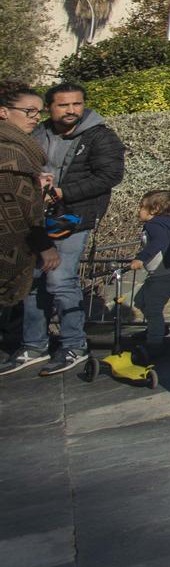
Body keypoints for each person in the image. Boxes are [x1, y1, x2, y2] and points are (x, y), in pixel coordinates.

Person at [34, 81, 126, 377]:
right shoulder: (38, 133)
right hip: (35, 216)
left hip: (73, 217)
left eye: (77, 103)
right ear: (51, 107)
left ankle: (73, 344)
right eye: (64, 104)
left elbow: (110, 175)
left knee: (60, 279)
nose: (72, 110)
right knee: (32, 281)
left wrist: (62, 192)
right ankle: (33, 343)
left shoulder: (100, 136)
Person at [0, 83, 59, 377]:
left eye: (39, 111)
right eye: (28, 111)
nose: (35, 117)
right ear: (3, 112)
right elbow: (25, 213)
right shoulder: (12, 152)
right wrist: (45, 245)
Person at [124, 190, 170, 366]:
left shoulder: (154, 225)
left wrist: (141, 258)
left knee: (153, 308)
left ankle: (155, 343)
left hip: (166, 275)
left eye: (141, 207)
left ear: (155, 209)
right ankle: (157, 328)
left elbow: (159, 242)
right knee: (139, 300)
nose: (139, 210)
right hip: (169, 273)